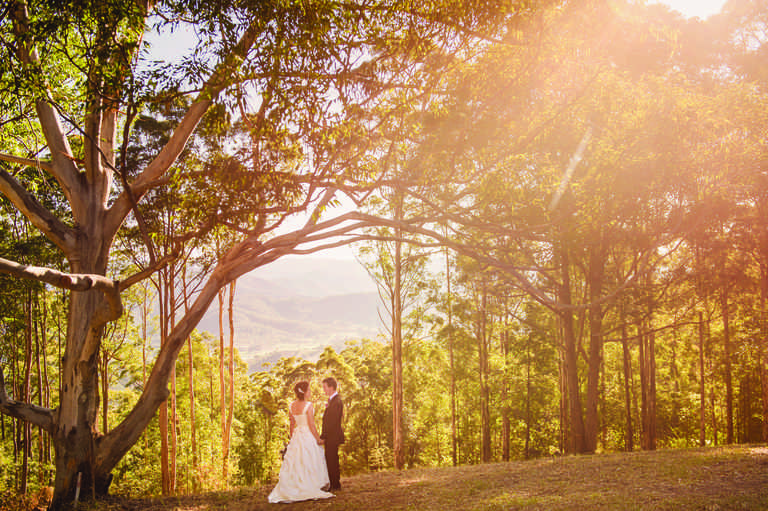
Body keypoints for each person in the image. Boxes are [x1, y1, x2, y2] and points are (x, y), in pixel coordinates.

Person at [268, 381, 334, 503]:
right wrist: (318, 439)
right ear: (304, 392)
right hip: (307, 434)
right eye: (309, 390)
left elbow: (292, 425)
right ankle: (309, 485)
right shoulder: (308, 405)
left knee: (296, 461)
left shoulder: (291, 405)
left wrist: (292, 439)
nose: (310, 392)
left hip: (297, 435)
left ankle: (295, 485)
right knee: (309, 459)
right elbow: (312, 425)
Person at [319, 376, 344, 491]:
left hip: (332, 436)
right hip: (331, 436)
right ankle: (333, 483)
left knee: (332, 459)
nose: (323, 390)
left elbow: (332, 422)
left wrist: (323, 436)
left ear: (331, 387)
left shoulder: (337, 401)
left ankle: (335, 484)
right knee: (331, 459)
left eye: (325, 387)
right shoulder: (332, 401)